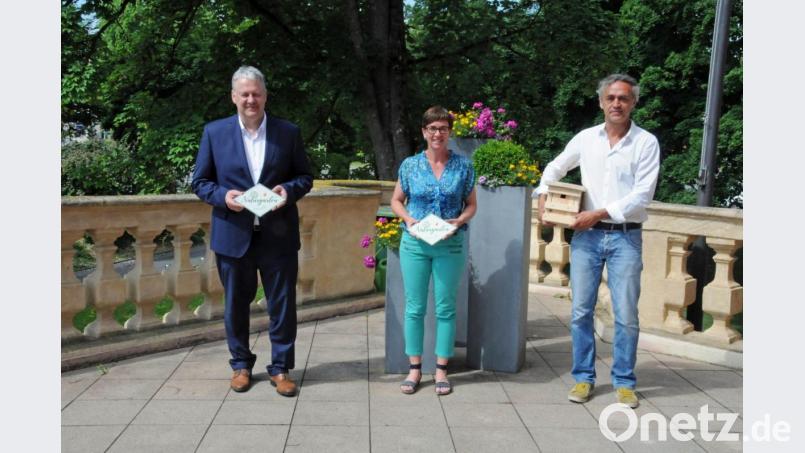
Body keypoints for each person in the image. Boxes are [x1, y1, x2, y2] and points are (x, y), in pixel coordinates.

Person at [534, 74, 660, 408]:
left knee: (626, 315)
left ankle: (624, 382)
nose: (616, 103)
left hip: (625, 238)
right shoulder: (586, 139)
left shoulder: (646, 142)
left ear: (633, 102)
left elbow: (642, 196)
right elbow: (554, 168)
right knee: (579, 312)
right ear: (601, 101)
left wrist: (598, 213)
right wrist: (543, 195)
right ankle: (583, 379)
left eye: (623, 98)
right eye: (611, 98)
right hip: (586, 238)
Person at [192, 66, 313, 396]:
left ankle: (281, 368)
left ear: (265, 96)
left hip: (278, 234)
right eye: (244, 94)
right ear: (233, 97)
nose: (250, 99)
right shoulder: (214, 133)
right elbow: (200, 182)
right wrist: (223, 197)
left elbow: (305, 176)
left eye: (256, 93)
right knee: (235, 305)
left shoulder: (287, 132)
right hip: (233, 235)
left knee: (283, 306)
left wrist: (286, 192)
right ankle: (241, 365)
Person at [390, 106, 477, 395]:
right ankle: (414, 369)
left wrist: (460, 220)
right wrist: (408, 218)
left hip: (449, 244)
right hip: (415, 243)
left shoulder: (463, 166)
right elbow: (396, 201)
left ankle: (441, 370)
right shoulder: (410, 165)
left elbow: (472, 205)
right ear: (424, 132)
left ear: (449, 132)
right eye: (432, 128)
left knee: (445, 307)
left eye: (443, 128)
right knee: (414, 307)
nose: (437, 133)